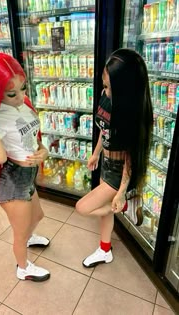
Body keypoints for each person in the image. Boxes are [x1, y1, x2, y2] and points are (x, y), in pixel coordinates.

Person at [0, 53, 50, 282]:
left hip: (28, 176)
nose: (20, 96)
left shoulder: (23, 105)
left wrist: (43, 152)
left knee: (38, 216)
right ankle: (23, 267)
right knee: (20, 233)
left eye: (23, 88)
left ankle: (27, 238)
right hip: (13, 182)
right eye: (11, 93)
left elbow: (35, 138)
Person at [75, 48, 153, 268]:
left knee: (83, 207)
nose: (104, 90)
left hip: (119, 172)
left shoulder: (132, 115)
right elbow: (103, 128)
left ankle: (124, 206)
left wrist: (120, 193)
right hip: (106, 164)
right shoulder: (106, 97)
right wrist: (97, 153)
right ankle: (104, 249)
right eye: (104, 84)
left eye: (109, 86)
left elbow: (130, 159)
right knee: (103, 215)